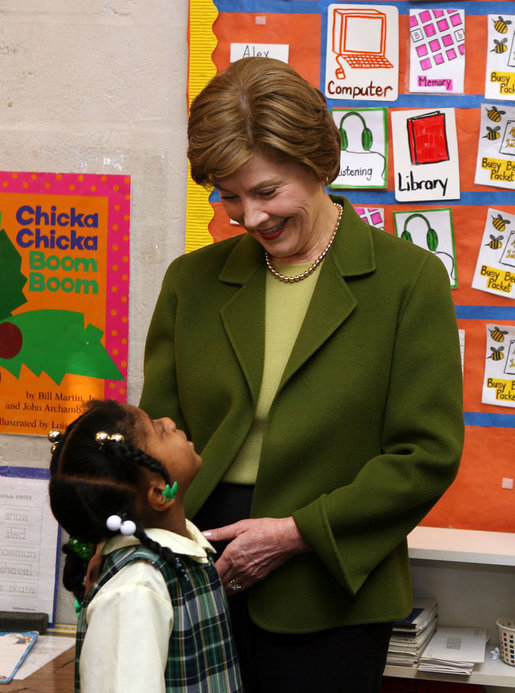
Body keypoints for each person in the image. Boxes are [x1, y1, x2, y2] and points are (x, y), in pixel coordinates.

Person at [139, 57, 464, 693]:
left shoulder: (409, 280)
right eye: (229, 196)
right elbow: (155, 438)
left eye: (266, 192)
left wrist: (297, 533)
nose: (249, 217)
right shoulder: (191, 282)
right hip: (196, 565)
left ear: (319, 164)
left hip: (331, 579)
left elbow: (426, 455)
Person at [47, 398, 242, 693]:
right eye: (159, 430)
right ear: (160, 493)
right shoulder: (136, 589)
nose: (170, 421)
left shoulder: (182, 557)